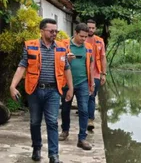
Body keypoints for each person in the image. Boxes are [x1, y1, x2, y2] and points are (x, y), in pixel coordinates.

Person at [9, 18, 74, 163]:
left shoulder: (62, 47)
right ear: (42, 31)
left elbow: (66, 68)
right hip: (34, 91)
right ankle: (37, 148)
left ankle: (53, 155)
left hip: (53, 91)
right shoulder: (30, 46)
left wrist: (70, 88)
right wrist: (13, 86)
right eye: (51, 31)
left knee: (52, 122)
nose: (54, 34)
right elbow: (22, 66)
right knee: (35, 122)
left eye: (56, 31)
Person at [58, 23, 95, 150]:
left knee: (84, 110)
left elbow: (91, 65)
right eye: (81, 36)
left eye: (86, 37)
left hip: (83, 82)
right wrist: (66, 59)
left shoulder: (88, 47)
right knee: (65, 108)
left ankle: (82, 138)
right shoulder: (64, 45)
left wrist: (92, 82)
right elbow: (57, 62)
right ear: (75, 33)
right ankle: (65, 131)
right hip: (66, 83)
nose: (84, 39)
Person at [86, 19, 107, 131]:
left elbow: (103, 58)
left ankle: (90, 120)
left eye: (93, 28)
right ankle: (84, 116)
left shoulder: (99, 41)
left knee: (92, 96)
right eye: (89, 27)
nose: (91, 30)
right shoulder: (81, 40)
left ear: (95, 28)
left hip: (96, 73)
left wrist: (104, 73)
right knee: (83, 97)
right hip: (82, 73)